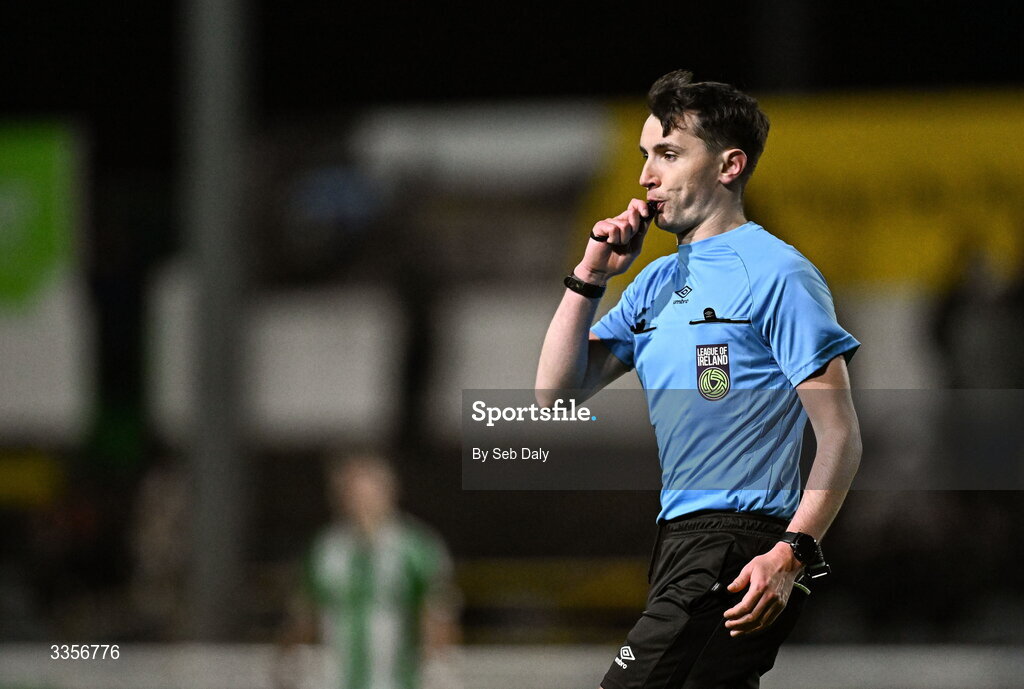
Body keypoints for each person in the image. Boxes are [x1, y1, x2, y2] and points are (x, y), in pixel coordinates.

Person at [536, 70, 862, 688]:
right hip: (679, 541)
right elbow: (553, 395)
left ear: (728, 165)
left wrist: (791, 554)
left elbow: (841, 437)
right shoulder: (654, 284)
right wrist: (590, 274)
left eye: (667, 153)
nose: (645, 176)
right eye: (644, 156)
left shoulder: (779, 275)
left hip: (741, 546)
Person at [279, 452, 460, 689]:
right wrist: (287, 659)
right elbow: (306, 614)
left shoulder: (416, 547)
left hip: (398, 681)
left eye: (368, 493)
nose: (361, 503)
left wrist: (438, 666)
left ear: (388, 493)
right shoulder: (325, 548)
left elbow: (437, 612)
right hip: (336, 681)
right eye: (353, 494)